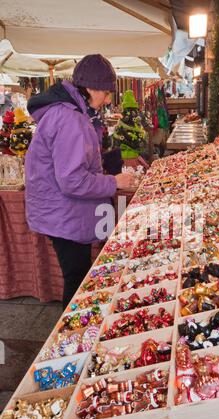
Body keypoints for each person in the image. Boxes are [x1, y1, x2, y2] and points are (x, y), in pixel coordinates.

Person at [25, 54, 134, 310]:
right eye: (106, 93)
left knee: (79, 277)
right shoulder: (70, 119)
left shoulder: (73, 112)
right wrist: (113, 182)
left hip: (65, 212)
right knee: (77, 281)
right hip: (64, 214)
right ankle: (69, 343)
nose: (108, 100)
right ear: (91, 88)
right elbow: (72, 180)